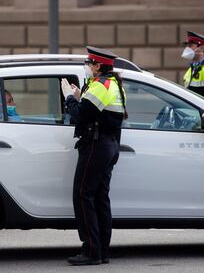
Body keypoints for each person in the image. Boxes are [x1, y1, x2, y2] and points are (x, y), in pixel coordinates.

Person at [61, 46, 127, 266]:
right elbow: (98, 111)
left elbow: (81, 115)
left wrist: (70, 98)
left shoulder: (100, 85)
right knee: (99, 198)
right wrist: (81, 96)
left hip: (96, 146)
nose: (87, 67)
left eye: (89, 63)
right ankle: (101, 250)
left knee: (83, 195)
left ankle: (91, 250)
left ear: (98, 66)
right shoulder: (113, 84)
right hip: (108, 145)